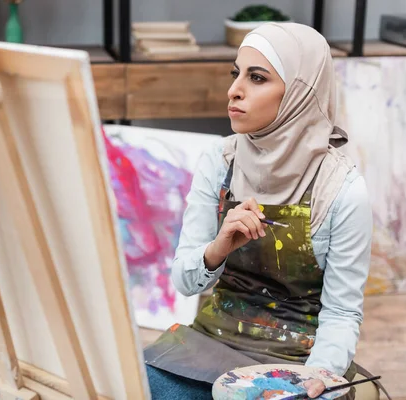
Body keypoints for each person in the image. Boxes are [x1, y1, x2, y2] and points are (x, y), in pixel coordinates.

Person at [143, 22, 389, 400]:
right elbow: (186, 281)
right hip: (211, 345)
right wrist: (218, 248)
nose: (234, 89)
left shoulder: (341, 189)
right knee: (138, 385)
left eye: (257, 78)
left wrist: (316, 378)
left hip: (298, 361)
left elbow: (342, 314)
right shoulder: (219, 161)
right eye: (235, 73)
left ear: (299, 94)